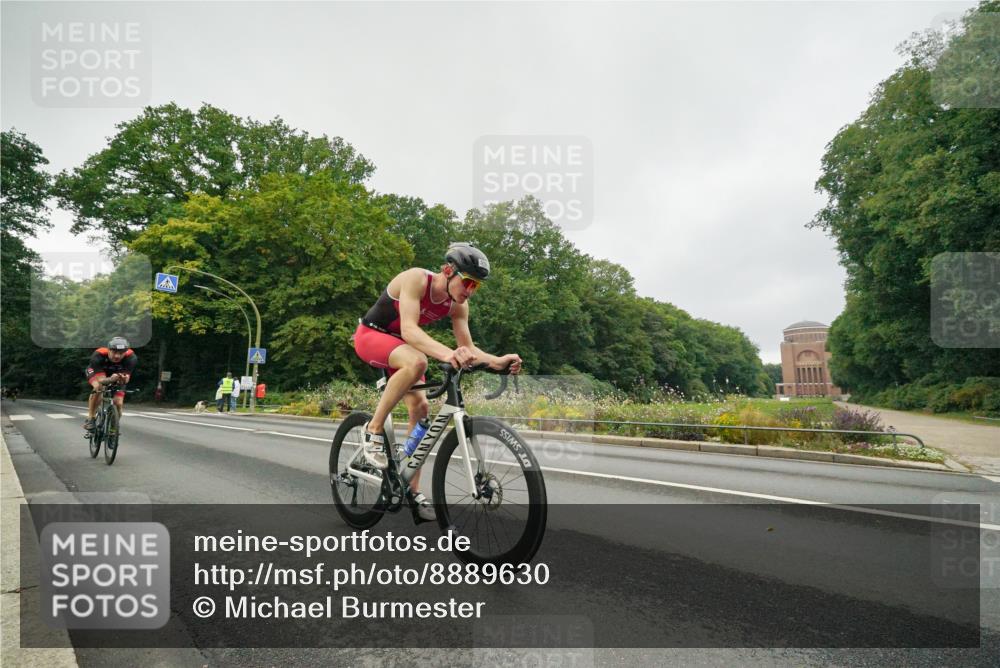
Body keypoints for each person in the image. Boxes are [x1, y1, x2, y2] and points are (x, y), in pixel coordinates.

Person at [353, 242, 522, 521]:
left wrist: (497, 361)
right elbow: (409, 329)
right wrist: (448, 354)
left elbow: (468, 348)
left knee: (421, 409)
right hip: (371, 335)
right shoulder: (417, 279)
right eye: (467, 282)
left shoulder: (458, 306)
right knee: (418, 361)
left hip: (402, 348)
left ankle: (412, 491)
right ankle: (373, 430)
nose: (470, 291)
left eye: (476, 286)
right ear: (447, 270)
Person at [84, 337, 137, 431]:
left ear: (125, 352)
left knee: (118, 403)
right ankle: (91, 418)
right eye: (114, 352)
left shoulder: (131, 357)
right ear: (108, 350)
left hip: (116, 374)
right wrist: (112, 379)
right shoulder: (99, 354)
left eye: (121, 353)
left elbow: (126, 379)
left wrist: (123, 379)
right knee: (99, 387)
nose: (117, 356)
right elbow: (101, 380)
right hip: (97, 373)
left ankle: (113, 429)